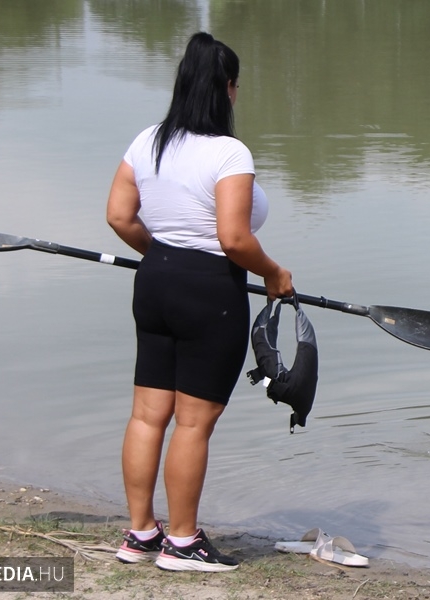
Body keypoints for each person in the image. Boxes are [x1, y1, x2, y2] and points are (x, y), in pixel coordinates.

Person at [106, 32, 293, 572]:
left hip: (154, 282)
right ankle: (183, 543)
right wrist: (275, 274)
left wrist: (164, 258)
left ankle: (141, 534)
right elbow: (233, 239)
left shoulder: (147, 141)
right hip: (210, 291)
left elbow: (119, 216)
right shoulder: (228, 152)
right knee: (192, 424)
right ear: (227, 89)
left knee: (147, 416)